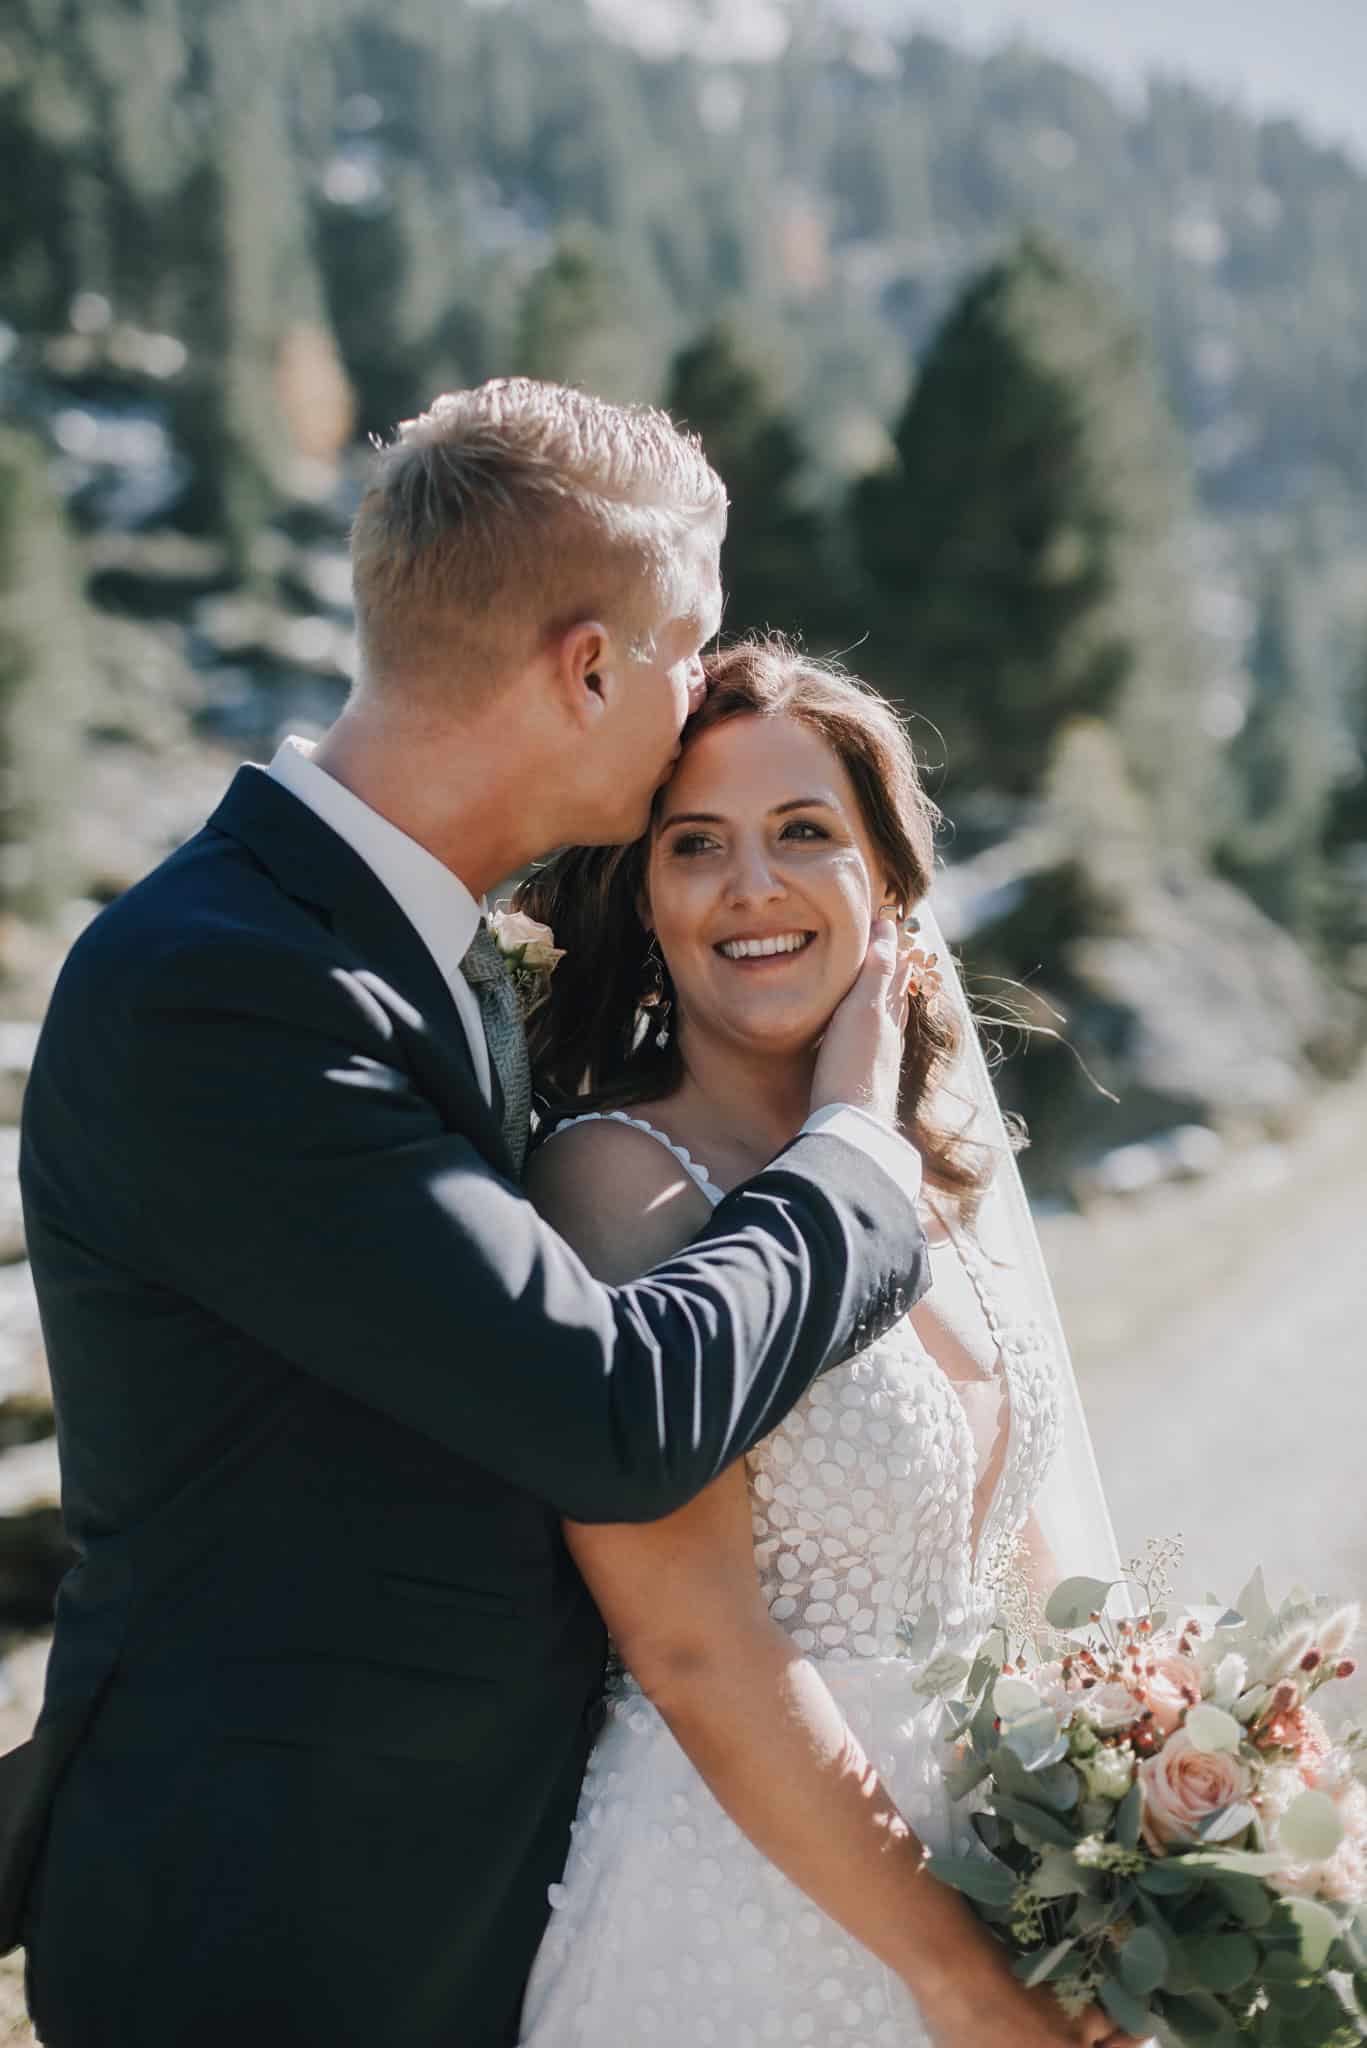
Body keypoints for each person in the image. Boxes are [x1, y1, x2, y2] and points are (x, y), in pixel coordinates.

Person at [11, 384, 934, 2048]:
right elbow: (608, 1408)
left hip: (477, 1911)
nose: (701, 694)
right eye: (687, 651)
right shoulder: (220, 989)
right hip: (266, 1938)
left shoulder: (412, 943)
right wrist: (853, 1153)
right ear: (587, 671)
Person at [514, 637, 1133, 2047]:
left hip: (1002, 1885)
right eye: (696, 845)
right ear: (647, 899)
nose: (753, 885)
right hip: (743, 1917)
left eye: (805, 832)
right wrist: (955, 1980)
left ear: (890, 889)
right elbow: (690, 1644)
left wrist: (1141, 1820)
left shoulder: (939, 1185)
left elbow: (1036, 1572)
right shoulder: (614, 1186)